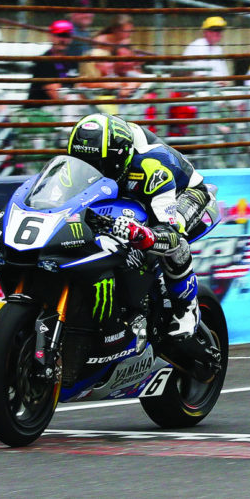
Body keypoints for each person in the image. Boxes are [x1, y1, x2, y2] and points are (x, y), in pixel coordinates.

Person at [66, 113, 215, 350]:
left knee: (173, 238)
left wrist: (142, 234)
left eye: (96, 165)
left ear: (117, 159)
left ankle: (186, 307)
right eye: (83, 162)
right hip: (131, 186)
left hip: (184, 192)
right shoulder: (97, 159)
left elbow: (170, 234)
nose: (90, 169)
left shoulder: (150, 168)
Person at [27, 20, 76, 104]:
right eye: (59, 35)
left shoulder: (73, 61)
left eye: (66, 36)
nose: (63, 39)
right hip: (39, 112)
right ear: (50, 36)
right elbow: (57, 96)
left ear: (71, 38)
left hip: (63, 110)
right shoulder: (44, 61)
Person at [182, 15, 230, 81]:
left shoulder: (218, 49)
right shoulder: (198, 45)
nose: (218, 33)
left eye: (220, 30)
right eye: (215, 30)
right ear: (206, 32)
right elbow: (201, 76)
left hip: (214, 87)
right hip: (198, 88)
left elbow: (225, 77)